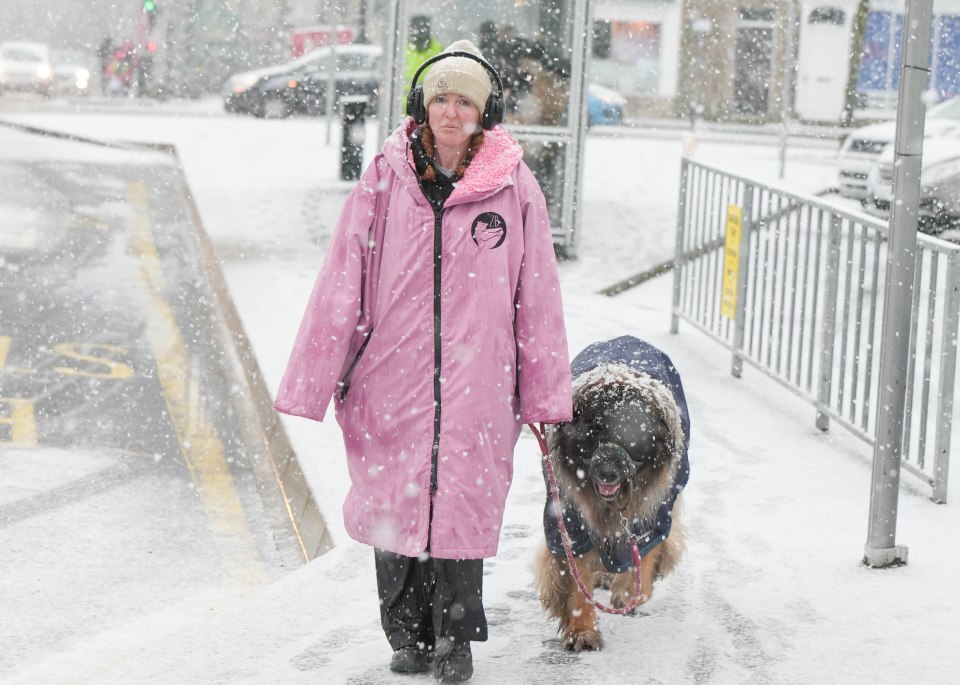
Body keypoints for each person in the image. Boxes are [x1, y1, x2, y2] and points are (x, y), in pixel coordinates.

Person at [274, 39, 572, 683]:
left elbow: (537, 294)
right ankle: (406, 633)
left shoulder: (514, 188)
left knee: (460, 510)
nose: (450, 111)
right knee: (395, 504)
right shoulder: (384, 178)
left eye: (465, 101)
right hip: (391, 376)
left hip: (480, 385)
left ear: (483, 113)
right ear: (422, 104)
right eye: (441, 97)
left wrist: (545, 390)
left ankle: (455, 640)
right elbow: (341, 279)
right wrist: (315, 377)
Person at [403, 15, 443, 100]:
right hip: (403, 104)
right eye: (416, 28)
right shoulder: (403, 49)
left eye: (421, 29)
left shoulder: (438, 49)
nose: (419, 33)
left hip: (429, 103)